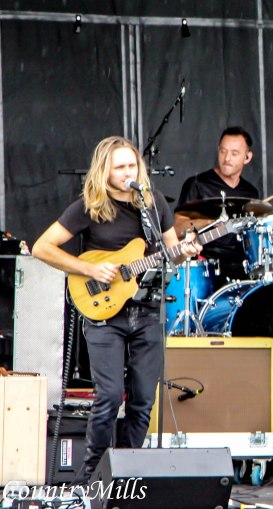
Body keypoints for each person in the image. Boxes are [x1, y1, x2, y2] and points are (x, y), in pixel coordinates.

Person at [32, 136, 201, 482]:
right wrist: (90, 269)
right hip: (104, 315)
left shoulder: (154, 204)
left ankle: (127, 474)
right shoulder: (89, 207)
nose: (128, 172)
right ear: (105, 171)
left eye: (132, 165)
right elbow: (41, 247)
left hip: (147, 311)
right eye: (120, 167)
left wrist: (185, 250)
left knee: (143, 400)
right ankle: (89, 478)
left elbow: (171, 253)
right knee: (109, 397)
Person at [175, 126, 260, 281]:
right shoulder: (197, 184)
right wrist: (210, 222)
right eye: (223, 151)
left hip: (242, 266)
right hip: (206, 266)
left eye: (234, 153)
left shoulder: (250, 192)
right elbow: (177, 229)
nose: (227, 158)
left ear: (247, 157)